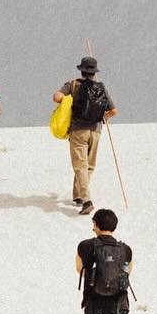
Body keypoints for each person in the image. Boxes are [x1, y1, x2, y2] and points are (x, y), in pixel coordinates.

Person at [51, 56, 116, 214]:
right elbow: (113, 111)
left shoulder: (73, 84)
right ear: (94, 72)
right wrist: (102, 117)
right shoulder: (101, 87)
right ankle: (78, 195)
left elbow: (56, 97)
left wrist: (69, 101)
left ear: (81, 70)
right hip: (96, 130)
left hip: (78, 130)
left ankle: (86, 201)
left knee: (80, 165)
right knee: (88, 165)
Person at [76, 208, 133, 314]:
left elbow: (80, 269)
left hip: (95, 300)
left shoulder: (86, 246)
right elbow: (128, 272)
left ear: (95, 225)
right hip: (119, 302)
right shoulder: (126, 249)